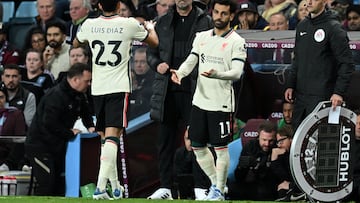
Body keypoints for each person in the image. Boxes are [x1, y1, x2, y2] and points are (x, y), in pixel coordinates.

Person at [73, 0, 159, 199]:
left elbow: (77, 42)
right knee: (113, 136)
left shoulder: (89, 25)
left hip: (98, 88)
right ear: (119, 5)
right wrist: (150, 28)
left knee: (105, 138)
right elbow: (154, 42)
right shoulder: (128, 24)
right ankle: (101, 187)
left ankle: (115, 185)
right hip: (118, 87)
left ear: (100, 5)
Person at [171, 0, 246, 200]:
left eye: (224, 14)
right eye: (217, 12)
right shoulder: (202, 37)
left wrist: (217, 75)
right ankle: (216, 184)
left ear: (231, 16)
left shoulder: (237, 41)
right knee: (196, 146)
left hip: (221, 103)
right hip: (199, 102)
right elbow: (192, 59)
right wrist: (181, 73)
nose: (219, 17)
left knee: (220, 149)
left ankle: (219, 190)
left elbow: (237, 72)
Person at [146, 0, 213, 198]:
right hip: (168, 90)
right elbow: (151, 52)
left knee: (198, 140)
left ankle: (201, 188)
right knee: (164, 141)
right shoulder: (162, 22)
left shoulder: (205, 22)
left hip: (195, 89)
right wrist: (156, 64)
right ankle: (166, 187)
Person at [24, 63, 94, 196]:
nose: (89, 84)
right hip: (40, 146)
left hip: (56, 146)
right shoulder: (56, 95)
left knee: (58, 185)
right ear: (75, 80)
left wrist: (91, 126)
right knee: (47, 183)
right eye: (87, 81)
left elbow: (85, 112)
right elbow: (49, 123)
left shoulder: (79, 95)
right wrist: (69, 133)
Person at [284, 0, 355, 131]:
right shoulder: (302, 26)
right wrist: (290, 84)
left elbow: (347, 64)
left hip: (322, 97)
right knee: (298, 138)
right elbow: (297, 59)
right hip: (300, 97)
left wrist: (338, 92)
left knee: (319, 140)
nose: (309, 2)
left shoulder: (334, 28)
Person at [228, 120, 278, 200]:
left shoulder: (277, 148)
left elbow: (279, 176)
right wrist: (242, 167)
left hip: (270, 186)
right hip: (250, 184)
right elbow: (238, 177)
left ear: (275, 138)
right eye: (264, 140)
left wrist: (260, 164)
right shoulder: (250, 146)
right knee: (231, 187)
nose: (267, 144)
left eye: (271, 141)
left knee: (264, 191)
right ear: (259, 137)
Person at [270, 124, 305, 201]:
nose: (279, 145)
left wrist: (290, 185)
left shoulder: (302, 154)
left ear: (291, 139)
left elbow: (306, 181)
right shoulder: (284, 155)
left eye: (281, 141)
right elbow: (283, 178)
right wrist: (274, 160)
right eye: (278, 142)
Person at [173, 131, 211, 200]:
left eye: (193, 139)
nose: (190, 143)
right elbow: (177, 178)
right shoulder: (180, 153)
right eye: (187, 139)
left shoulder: (209, 153)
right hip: (186, 191)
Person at [0, 84, 27, 172]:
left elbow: (19, 141)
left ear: (6, 99)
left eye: (1, 97)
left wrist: (8, 164)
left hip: (6, 163)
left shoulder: (16, 115)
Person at [129, 47, 154, 119]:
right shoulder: (130, 76)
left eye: (142, 62)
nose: (138, 65)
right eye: (136, 61)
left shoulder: (153, 80)